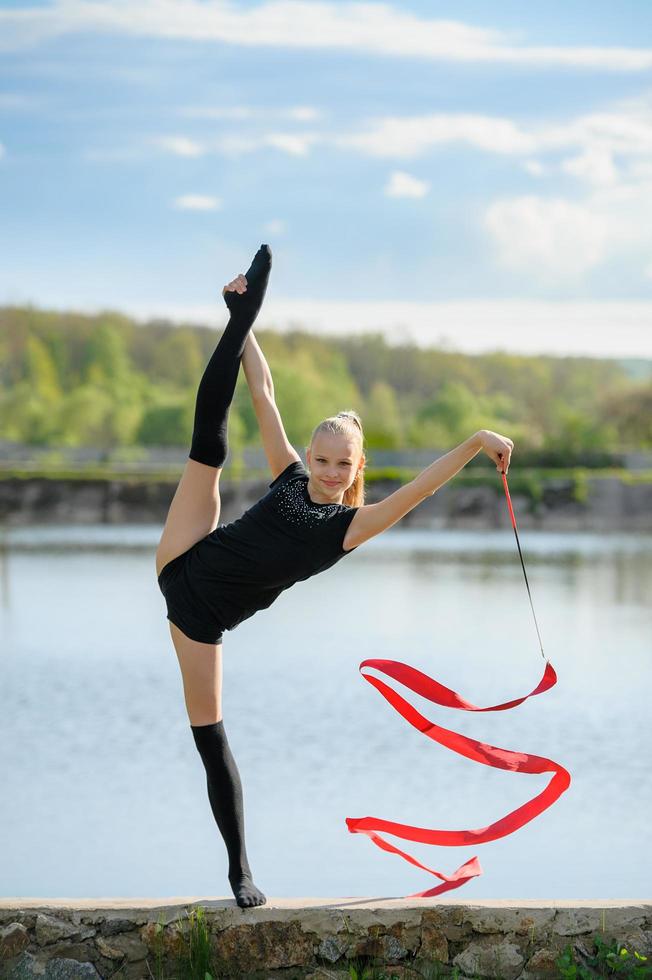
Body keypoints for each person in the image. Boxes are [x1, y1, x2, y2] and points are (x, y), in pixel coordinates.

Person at [155, 243, 514, 909]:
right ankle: (241, 312)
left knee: (211, 739)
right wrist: (246, 325)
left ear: (355, 467)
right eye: (320, 459)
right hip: (185, 559)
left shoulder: (352, 527)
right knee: (210, 442)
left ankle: (239, 873)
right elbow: (261, 393)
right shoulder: (289, 475)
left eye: (338, 464)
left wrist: (473, 441)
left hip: (197, 621)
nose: (324, 471)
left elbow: (419, 491)